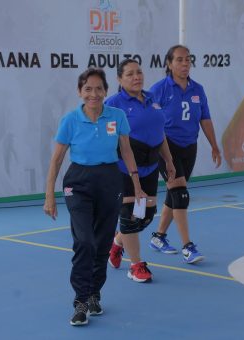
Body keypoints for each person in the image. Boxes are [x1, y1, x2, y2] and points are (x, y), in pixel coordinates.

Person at [43, 67, 146, 326]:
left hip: (110, 181)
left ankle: (93, 294)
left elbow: (127, 151)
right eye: (87, 88)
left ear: (106, 91)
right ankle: (80, 300)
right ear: (80, 92)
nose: (93, 93)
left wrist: (136, 184)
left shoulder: (117, 116)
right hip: (78, 183)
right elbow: (56, 161)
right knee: (85, 241)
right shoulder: (70, 120)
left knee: (101, 244)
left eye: (99, 88)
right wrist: (49, 196)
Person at [149, 45, 222, 264]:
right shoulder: (160, 89)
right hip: (166, 146)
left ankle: (158, 237)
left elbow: (205, 119)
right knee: (180, 193)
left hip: (189, 146)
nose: (185, 64)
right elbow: (150, 119)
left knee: (175, 194)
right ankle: (188, 247)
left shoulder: (197, 89)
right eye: (179, 60)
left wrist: (214, 146)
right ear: (169, 64)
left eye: (188, 60)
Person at [105, 59, 175, 283]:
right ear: (119, 79)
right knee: (128, 215)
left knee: (144, 216)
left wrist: (169, 160)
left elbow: (160, 132)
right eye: (130, 74)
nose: (137, 77)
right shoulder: (114, 104)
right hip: (124, 168)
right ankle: (135, 265)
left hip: (151, 166)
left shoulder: (152, 99)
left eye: (139, 72)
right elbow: (108, 139)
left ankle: (117, 242)